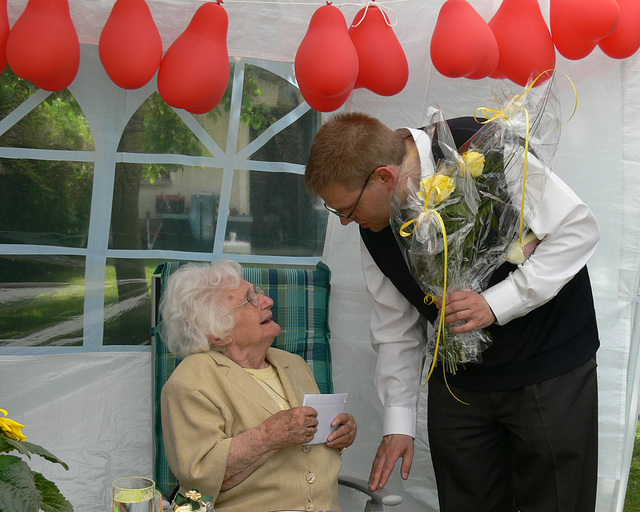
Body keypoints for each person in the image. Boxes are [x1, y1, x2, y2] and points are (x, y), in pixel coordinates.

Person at [305, 111, 600, 512]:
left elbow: (577, 228)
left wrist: (497, 303)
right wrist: (398, 423)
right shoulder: (372, 227)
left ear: (385, 178)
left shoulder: (485, 149)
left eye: (347, 208)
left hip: (548, 366)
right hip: (459, 384)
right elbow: (396, 327)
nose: (344, 221)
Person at [159, 260, 357, 512]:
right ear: (218, 333)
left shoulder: (292, 363)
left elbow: (311, 448)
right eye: (250, 299)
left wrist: (338, 435)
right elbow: (200, 479)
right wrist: (267, 437)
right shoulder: (191, 381)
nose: (267, 301)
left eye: (258, 292)